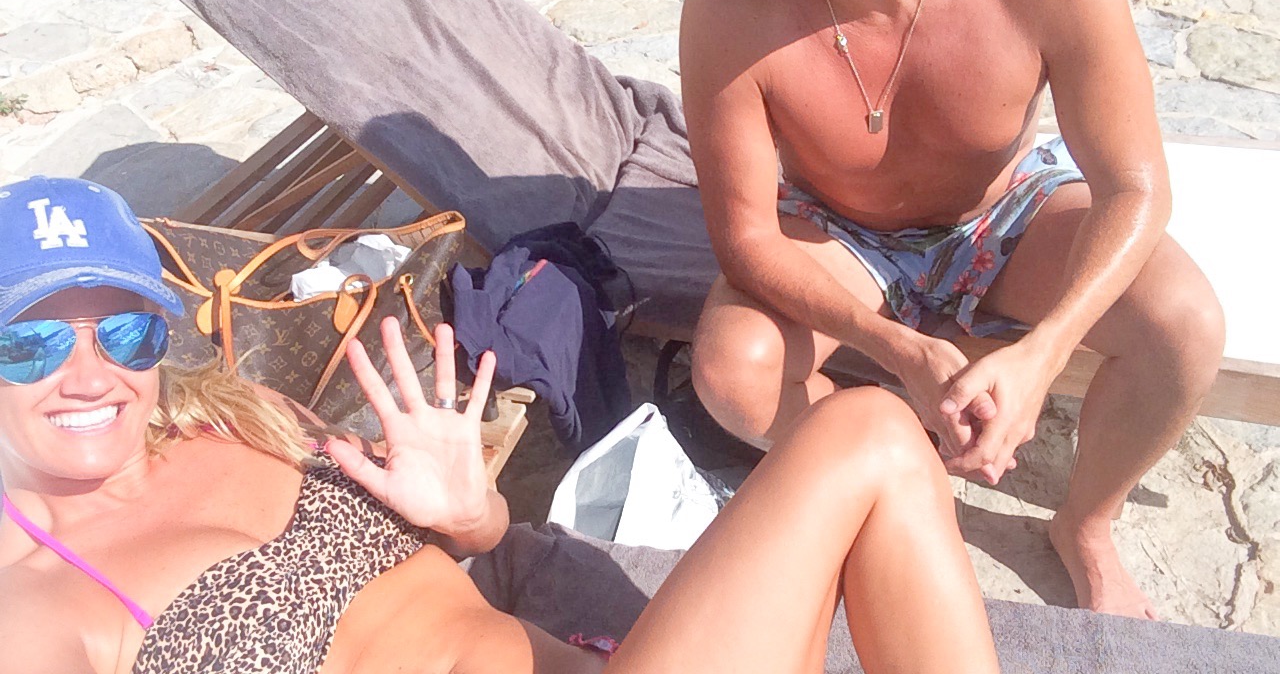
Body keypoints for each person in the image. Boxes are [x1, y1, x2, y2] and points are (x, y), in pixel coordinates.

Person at [0, 175, 1000, 672]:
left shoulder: (240, 418)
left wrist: (470, 517)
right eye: (30, 344)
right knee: (866, 435)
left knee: (873, 432)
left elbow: (464, 565)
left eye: (123, 331)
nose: (90, 376)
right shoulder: (30, 604)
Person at [680, 0, 1225, 621]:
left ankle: (1087, 525)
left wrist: (1043, 355)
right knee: (733, 372)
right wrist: (895, 349)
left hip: (1004, 210)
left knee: (1183, 325)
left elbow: (1135, 187)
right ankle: (901, 464)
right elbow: (746, 239)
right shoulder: (728, 4)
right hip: (840, 228)